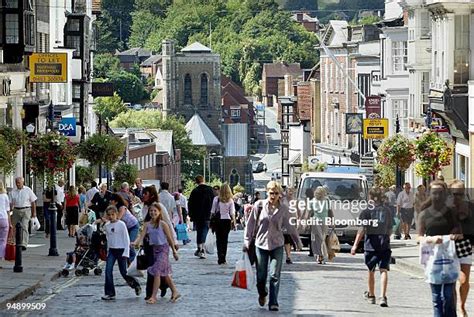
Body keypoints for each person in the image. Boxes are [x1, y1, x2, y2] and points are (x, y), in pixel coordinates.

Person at [243, 181, 303, 312]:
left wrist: (297, 242)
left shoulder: (283, 208)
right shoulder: (259, 205)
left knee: (274, 275)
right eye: (271, 193)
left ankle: (273, 302)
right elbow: (250, 224)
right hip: (261, 244)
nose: (273, 196)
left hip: (277, 244)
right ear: (267, 192)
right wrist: (247, 241)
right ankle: (262, 293)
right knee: (261, 276)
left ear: (280, 194)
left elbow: (290, 226)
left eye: (276, 193)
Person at [418, 180, 461, 317]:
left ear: (445, 194)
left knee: (448, 296)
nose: (437, 196)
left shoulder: (451, 212)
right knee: (437, 298)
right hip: (432, 257)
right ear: (430, 194)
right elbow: (419, 237)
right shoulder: (424, 214)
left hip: (449, 257)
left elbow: (460, 231)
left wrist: (455, 234)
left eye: (440, 193)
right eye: (434, 193)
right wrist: (431, 239)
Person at [351, 188, 393, 307]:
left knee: (371, 270)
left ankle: (371, 295)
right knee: (384, 270)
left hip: (370, 245)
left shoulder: (366, 212)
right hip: (384, 244)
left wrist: (355, 245)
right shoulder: (387, 211)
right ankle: (383, 297)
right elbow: (390, 229)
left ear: (370, 197)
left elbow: (362, 230)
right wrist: (386, 238)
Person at [132, 202, 180, 304]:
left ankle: (153, 296)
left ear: (159, 212)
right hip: (155, 250)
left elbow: (169, 238)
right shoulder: (147, 224)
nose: (153, 213)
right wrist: (137, 243)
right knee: (165, 274)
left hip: (164, 249)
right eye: (151, 211)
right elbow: (142, 235)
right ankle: (175, 291)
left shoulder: (163, 224)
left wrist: (174, 252)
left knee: (157, 271)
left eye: (155, 211)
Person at [141, 185, 178, 300]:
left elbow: (168, 224)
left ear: (151, 195)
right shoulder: (144, 208)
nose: (143, 196)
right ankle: (164, 285)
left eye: (145, 194)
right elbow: (144, 226)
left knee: (155, 269)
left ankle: (151, 294)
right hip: (150, 243)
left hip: (162, 246)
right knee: (153, 267)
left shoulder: (159, 206)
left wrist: (174, 241)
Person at [101, 205, 141, 301]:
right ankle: (110, 293)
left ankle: (135, 284)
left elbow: (126, 239)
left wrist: (126, 252)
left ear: (116, 214)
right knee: (108, 271)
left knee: (123, 272)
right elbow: (108, 239)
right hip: (112, 250)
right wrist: (107, 251)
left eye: (113, 214)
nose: (111, 217)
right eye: (109, 215)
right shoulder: (107, 226)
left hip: (121, 250)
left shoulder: (122, 224)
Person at [448, 180, 473, 317]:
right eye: (455, 194)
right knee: (451, 280)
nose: (457, 196)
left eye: (460, 194)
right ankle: (454, 308)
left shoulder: (470, 207)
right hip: (448, 246)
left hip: (465, 244)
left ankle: (462, 306)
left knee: (464, 280)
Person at [188, 175, 215, 259]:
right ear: (204, 180)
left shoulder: (195, 191)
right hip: (207, 215)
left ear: (196, 182)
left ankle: (199, 248)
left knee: (199, 231)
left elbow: (190, 204)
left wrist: (191, 215)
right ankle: (201, 248)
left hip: (197, 216)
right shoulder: (210, 190)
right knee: (204, 230)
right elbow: (214, 202)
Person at [110, 193, 139, 264]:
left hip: (133, 226)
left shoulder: (122, 208)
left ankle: (133, 262)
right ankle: (129, 262)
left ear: (116, 202)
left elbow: (118, 219)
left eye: (111, 200)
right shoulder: (114, 209)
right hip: (126, 228)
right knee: (125, 244)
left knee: (130, 244)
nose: (110, 201)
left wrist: (109, 221)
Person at [210, 183, 236, 265]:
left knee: (218, 239)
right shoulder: (230, 200)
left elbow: (212, 211)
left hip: (218, 221)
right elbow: (232, 213)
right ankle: (223, 257)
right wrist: (234, 222)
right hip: (226, 220)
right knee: (225, 240)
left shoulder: (216, 199)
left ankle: (219, 257)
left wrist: (211, 220)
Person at [10, 177, 37, 250]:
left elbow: (33, 202)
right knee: (14, 227)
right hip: (16, 210)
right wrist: (9, 212)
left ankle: (24, 244)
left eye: (19, 182)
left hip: (26, 210)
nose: (17, 184)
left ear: (23, 182)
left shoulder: (28, 190)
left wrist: (34, 213)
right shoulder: (13, 191)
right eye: (16, 182)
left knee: (24, 226)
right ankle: (15, 242)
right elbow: (11, 203)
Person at [311, 186, 333, 264]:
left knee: (318, 239)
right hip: (323, 222)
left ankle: (319, 255)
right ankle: (321, 255)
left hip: (316, 222)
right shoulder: (326, 200)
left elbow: (309, 213)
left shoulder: (313, 201)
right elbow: (330, 212)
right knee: (322, 238)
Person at [281, 188, 296, 264]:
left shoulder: (295, 201)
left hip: (291, 223)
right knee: (284, 240)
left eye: (292, 192)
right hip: (283, 223)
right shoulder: (283, 200)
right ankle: (286, 255)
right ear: (286, 192)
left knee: (288, 240)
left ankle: (288, 256)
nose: (291, 193)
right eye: (289, 191)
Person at [0, 181, 11, 266]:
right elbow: (8, 210)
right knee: (3, 240)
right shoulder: (5, 196)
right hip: (3, 219)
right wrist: (9, 222)